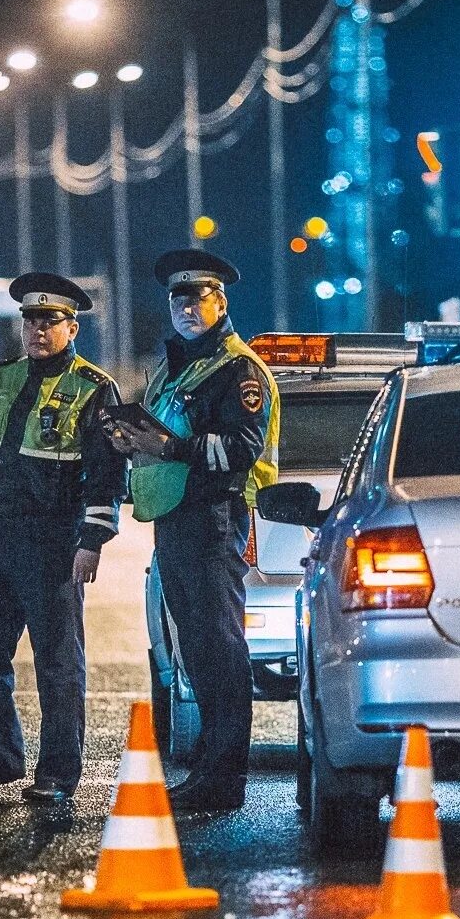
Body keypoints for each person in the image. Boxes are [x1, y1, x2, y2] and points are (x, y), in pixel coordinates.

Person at [105, 249, 279, 811]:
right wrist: (131, 441)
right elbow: (162, 436)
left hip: (213, 517)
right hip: (177, 520)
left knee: (219, 648)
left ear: (219, 303)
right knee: (196, 651)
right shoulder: (176, 367)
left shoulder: (238, 370)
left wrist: (169, 446)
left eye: (197, 298)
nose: (185, 308)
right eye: (178, 300)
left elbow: (241, 449)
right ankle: (209, 765)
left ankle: (224, 778)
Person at [0, 272, 126, 804]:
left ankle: (57, 774)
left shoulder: (94, 387)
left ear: (72, 328)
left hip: (55, 539)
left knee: (57, 664)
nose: (37, 329)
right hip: (0, 533)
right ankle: (1, 760)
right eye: (30, 320)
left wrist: (92, 538)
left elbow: (106, 470)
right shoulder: (3, 378)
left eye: (49, 321)